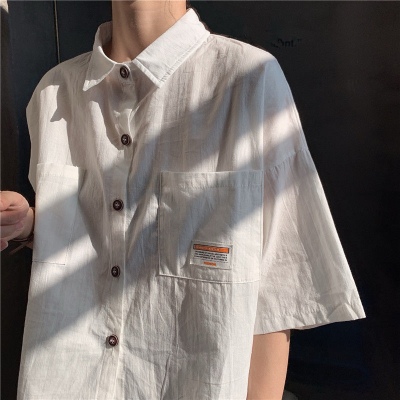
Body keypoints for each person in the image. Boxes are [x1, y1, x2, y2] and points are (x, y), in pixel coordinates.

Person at [0, 1, 366, 399]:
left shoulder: (248, 80)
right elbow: (100, 229)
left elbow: (280, 286)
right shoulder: (54, 93)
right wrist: (32, 224)